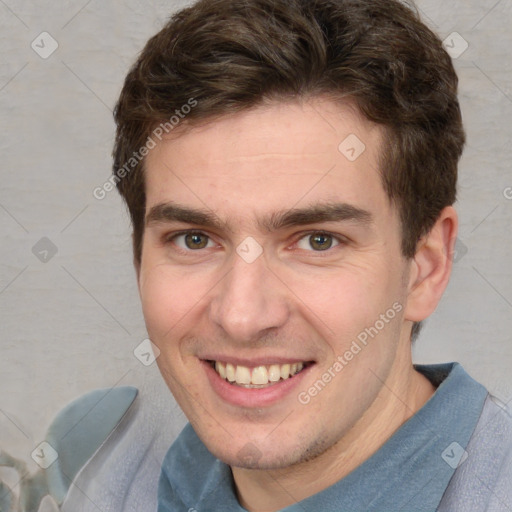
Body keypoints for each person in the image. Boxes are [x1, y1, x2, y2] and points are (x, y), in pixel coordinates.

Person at [106, 0, 512, 510]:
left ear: (425, 267)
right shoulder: (110, 481)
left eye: (318, 240)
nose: (241, 316)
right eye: (195, 239)